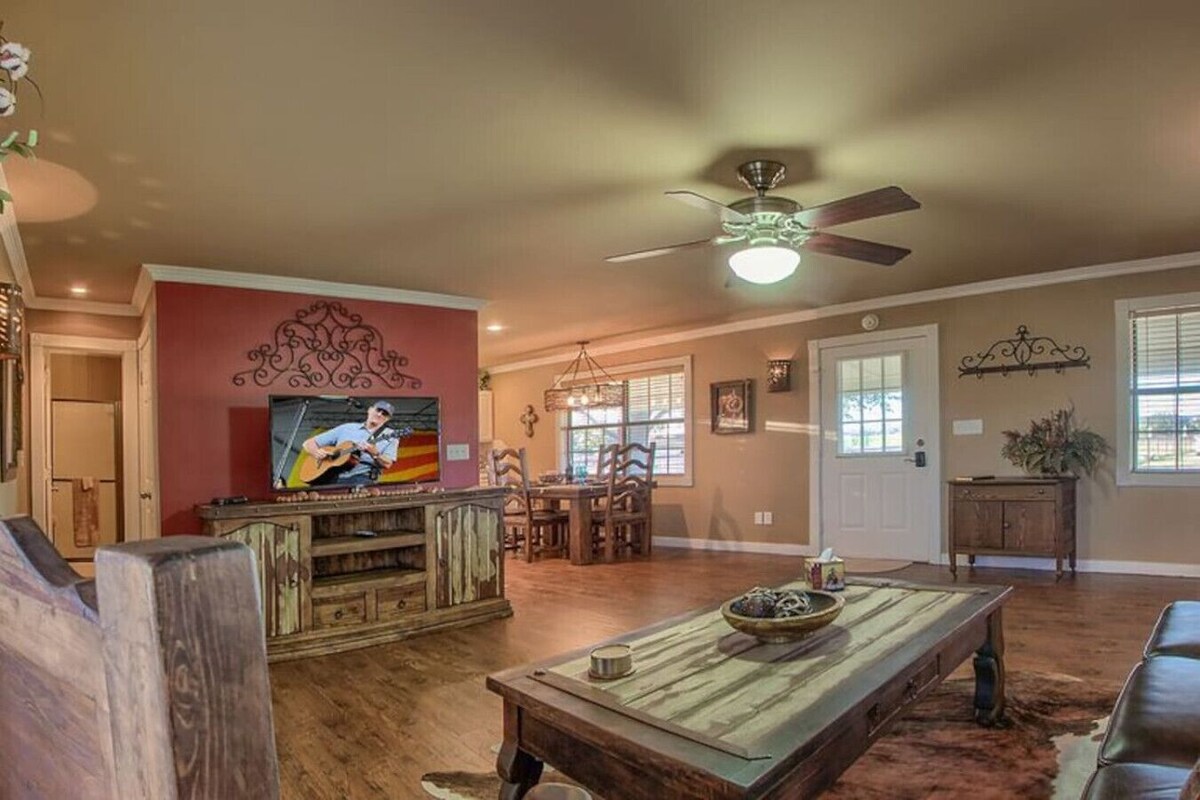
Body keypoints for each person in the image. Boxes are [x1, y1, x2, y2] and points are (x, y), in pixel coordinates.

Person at [301, 400, 399, 485]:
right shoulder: (347, 428)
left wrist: (375, 453)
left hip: (361, 478)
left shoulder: (391, 435)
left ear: (387, 419)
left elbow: (387, 464)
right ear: (370, 410)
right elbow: (308, 443)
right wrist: (316, 452)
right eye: (378, 410)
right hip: (330, 476)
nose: (379, 414)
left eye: (384, 414)